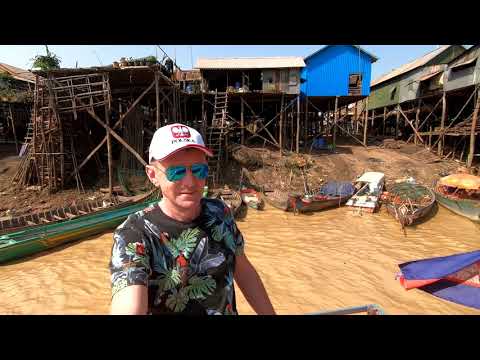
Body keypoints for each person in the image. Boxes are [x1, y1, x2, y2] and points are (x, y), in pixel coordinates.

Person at [109, 123, 276, 315]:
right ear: (153, 175)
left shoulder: (220, 213)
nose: (190, 182)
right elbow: (129, 303)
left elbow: (244, 271)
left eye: (198, 170)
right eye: (176, 172)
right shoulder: (134, 234)